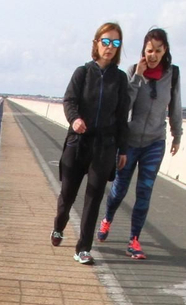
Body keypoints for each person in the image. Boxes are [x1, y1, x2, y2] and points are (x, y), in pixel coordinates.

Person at [98, 28, 182, 260]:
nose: (153, 55)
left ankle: (134, 240)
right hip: (131, 142)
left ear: (165, 51)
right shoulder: (133, 72)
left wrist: (177, 133)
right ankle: (107, 219)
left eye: (158, 50)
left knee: (144, 191)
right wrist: (138, 76)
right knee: (119, 190)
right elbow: (125, 105)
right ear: (143, 52)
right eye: (149, 51)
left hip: (155, 142)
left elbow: (175, 105)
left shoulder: (172, 74)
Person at [52, 22, 131, 265]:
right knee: (68, 194)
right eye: (105, 41)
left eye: (115, 43)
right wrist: (74, 119)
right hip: (78, 143)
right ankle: (59, 225)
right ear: (96, 43)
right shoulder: (82, 73)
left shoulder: (120, 79)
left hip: (105, 146)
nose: (110, 47)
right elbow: (69, 101)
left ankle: (83, 248)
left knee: (94, 197)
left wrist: (123, 148)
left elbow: (122, 117)